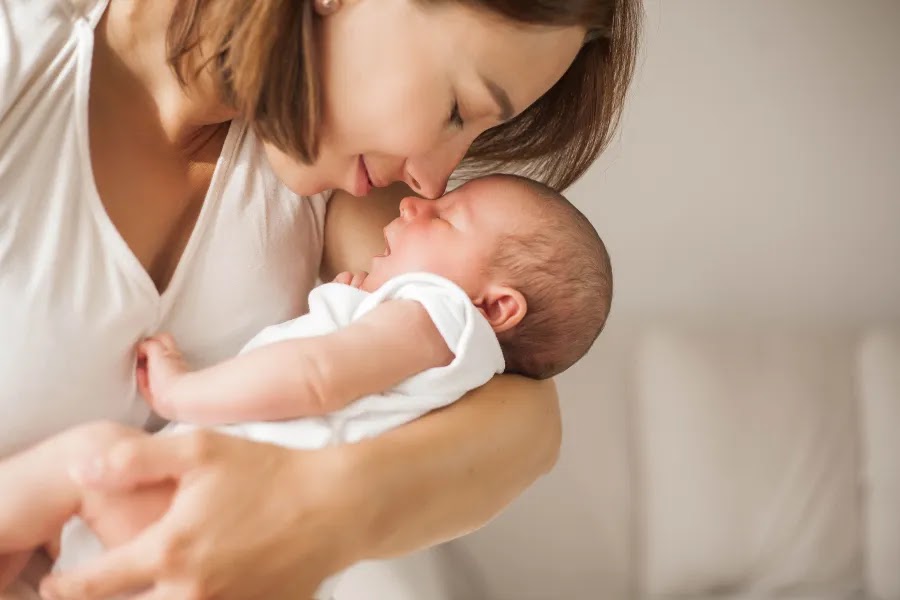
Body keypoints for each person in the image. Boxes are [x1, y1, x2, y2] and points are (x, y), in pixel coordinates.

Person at [0, 0, 640, 597]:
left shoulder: (331, 178)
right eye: (457, 108)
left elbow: (524, 418)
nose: (432, 179)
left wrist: (319, 509)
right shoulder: (23, 70)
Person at [0, 174, 613, 598]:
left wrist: (182, 392)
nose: (415, 203)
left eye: (448, 216)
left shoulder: (441, 310)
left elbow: (317, 377)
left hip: (200, 510)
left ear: (495, 307)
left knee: (87, 461)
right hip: (245, 559)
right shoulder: (449, 364)